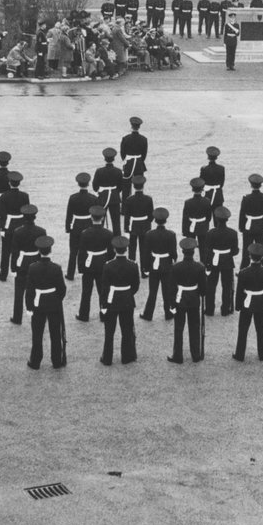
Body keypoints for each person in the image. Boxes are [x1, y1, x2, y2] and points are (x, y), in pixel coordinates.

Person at [26, 235, 66, 370]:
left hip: (38, 304)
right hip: (53, 303)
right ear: (50, 251)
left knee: (37, 334)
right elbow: (62, 289)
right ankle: (57, 360)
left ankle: (35, 361)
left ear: (39, 251)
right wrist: (57, 299)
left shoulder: (32, 267)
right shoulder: (56, 268)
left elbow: (29, 290)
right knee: (55, 333)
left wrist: (29, 306)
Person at [99, 235, 140, 365]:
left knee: (109, 331)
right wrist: (127, 293)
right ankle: (127, 356)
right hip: (127, 299)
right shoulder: (133, 265)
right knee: (127, 329)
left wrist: (103, 305)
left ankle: (107, 358)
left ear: (114, 249)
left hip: (112, 300)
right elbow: (135, 286)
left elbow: (104, 288)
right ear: (126, 249)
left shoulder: (108, 266)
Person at [233, 243, 263, 361]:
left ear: (249, 257)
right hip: (261, 302)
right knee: (262, 330)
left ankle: (240, 354)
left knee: (243, 330)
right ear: (262, 258)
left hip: (247, 302)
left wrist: (238, 306)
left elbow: (239, 291)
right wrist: (261, 296)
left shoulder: (243, 272)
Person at [169, 238, 207, 363]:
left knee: (178, 328)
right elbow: (203, 289)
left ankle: (177, 356)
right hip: (194, 298)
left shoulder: (176, 267)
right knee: (194, 327)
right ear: (194, 251)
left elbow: (172, 288)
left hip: (180, 299)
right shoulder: (200, 267)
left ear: (182, 251)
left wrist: (172, 303)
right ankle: (195, 355)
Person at [140, 208, 178, 321]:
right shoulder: (171, 234)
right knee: (167, 291)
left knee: (153, 292)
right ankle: (168, 312)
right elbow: (173, 252)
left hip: (154, 265)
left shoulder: (149, 234)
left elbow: (146, 253)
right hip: (166, 265)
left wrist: (146, 267)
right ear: (165, 221)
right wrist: (173, 261)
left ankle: (148, 314)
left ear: (155, 221)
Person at [9, 204, 43, 325]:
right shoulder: (41, 231)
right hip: (36, 262)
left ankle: (17, 317)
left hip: (22, 263)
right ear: (35, 217)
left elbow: (14, 251)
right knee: (36, 289)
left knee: (19, 292)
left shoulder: (18, 232)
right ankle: (37, 314)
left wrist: (13, 268)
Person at [0, 170, 30, 280]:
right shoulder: (25, 196)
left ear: (9, 183)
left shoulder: (4, 197)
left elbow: (2, 214)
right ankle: (16, 269)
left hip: (8, 226)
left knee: (5, 251)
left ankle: (3, 273)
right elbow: (27, 211)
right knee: (18, 249)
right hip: (20, 225)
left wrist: (2, 228)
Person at [204, 206, 238, 317]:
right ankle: (225, 309)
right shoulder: (233, 233)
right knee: (227, 286)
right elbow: (235, 251)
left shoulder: (210, 233)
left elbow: (207, 250)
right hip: (227, 261)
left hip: (214, 261)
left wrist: (207, 264)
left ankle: (209, 309)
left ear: (216, 219)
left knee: (211, 286)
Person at [92, 148, 123, 237]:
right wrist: (114, 192)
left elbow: (95, 186)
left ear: (104, 158)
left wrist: (101, 191)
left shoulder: (99, 171)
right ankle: (118, 242)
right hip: (114, 197)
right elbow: (120, 187)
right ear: (113, 159)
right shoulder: (118, 171)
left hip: (102, 198)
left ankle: (99, 238)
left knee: (99, 221)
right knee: (116, 223)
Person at [239, 173, 263, 259]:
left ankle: (244, 269)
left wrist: (242, 228)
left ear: (251, 185)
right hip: (260, 225)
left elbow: (242, 214)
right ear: (260, 185)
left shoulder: (246, 198)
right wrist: (260, 220)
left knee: (246, 249)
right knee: (262, 248)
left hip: (248, 226)